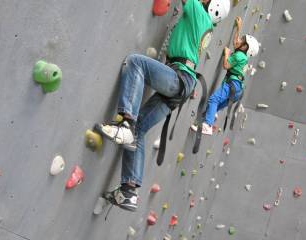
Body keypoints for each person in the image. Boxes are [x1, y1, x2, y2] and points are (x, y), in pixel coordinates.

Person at [94, 0, 230, 212]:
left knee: (135, 63)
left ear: (212, 6)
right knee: (139, 130)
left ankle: (125, 123)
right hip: (183, 83)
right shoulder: (204, 23)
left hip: (180, 76)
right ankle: (128, 192)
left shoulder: (199, 13)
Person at [191, 16, 260, 135]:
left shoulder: (238, 56)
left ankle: (208, 125)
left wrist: (227, 54)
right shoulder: (243, 55)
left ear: (244, 47)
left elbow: (226, 65)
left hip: (232, 85)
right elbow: (235, 43)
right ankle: (204, 121)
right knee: (216, 105)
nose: (239, 40)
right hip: (238, 90)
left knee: (214, 99)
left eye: (242, 41)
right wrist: (238, 29)